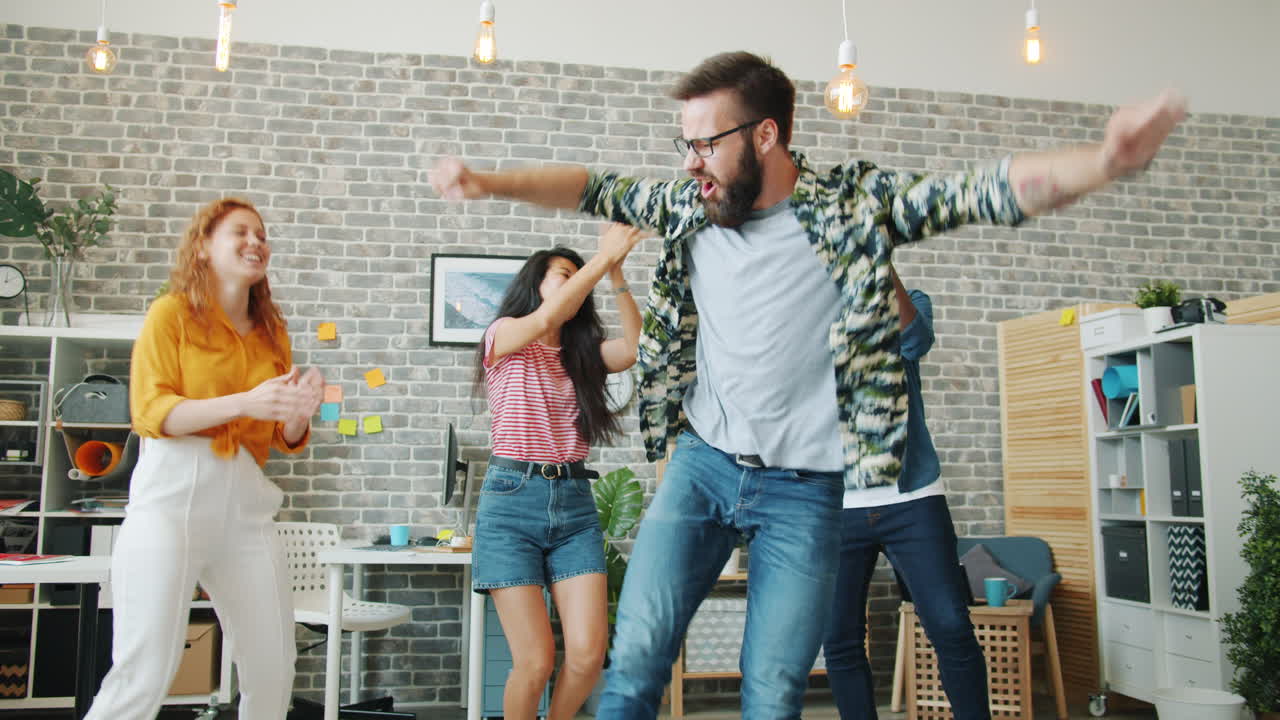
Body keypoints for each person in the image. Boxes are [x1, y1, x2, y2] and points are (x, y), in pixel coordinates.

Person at [431, 50, 1186, 719]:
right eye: (683, 144)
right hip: (703, 466)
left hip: (807, 489)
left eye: (706, 143)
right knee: (632, 668)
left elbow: (980, 191)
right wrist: (486, 181)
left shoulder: (849, 207)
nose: (690, 161)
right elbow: (589, 187)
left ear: (766, 135)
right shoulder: (690, 208)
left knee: (773, 689)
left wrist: (1108, 161)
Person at [86, 197, 323, 720]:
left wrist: (298, 414)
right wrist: (246, 401)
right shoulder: (171, 314)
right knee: (145, 667)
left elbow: (278, 434)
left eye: (262, 234)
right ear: (203, 246)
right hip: (171, 500)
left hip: (246, 506)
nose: (256, 242)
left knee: (273, 667)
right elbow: (151, 412)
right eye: (241, 232)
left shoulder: (271, 332)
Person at [471, 223, 644, 720]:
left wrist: (615, 272)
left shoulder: (580, 357)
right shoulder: (503, 336)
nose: (572, 283)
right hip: (511, 501)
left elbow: (634, 348)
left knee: (588, 656)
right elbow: (549, 314)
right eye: (562, 274)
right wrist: (601, 255)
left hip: (573, 505)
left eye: (575, 277)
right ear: (535, 283)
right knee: (535, 661)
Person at [822, 265, 988, 720]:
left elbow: (915, 340)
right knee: (839, 638)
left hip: (913, 499)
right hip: (836, 507)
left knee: (951, 625)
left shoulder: (909, 298)